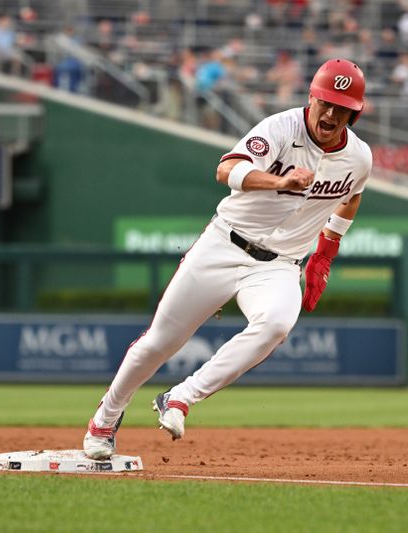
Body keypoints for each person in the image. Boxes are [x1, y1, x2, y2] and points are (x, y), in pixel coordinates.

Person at [83, 58, 372, 459]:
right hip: (223, 245)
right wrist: (279, 181)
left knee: (275, 324)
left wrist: (326, 250)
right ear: (311, 98)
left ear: (354, 113)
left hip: (278, 266)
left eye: (342, 106)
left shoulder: (359, 158)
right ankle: (106, 417)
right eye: (325, 101)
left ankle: (181, 397)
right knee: (159, 344)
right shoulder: (280, 128)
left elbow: (352, 194)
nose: (330, 112)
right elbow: (228, 168)